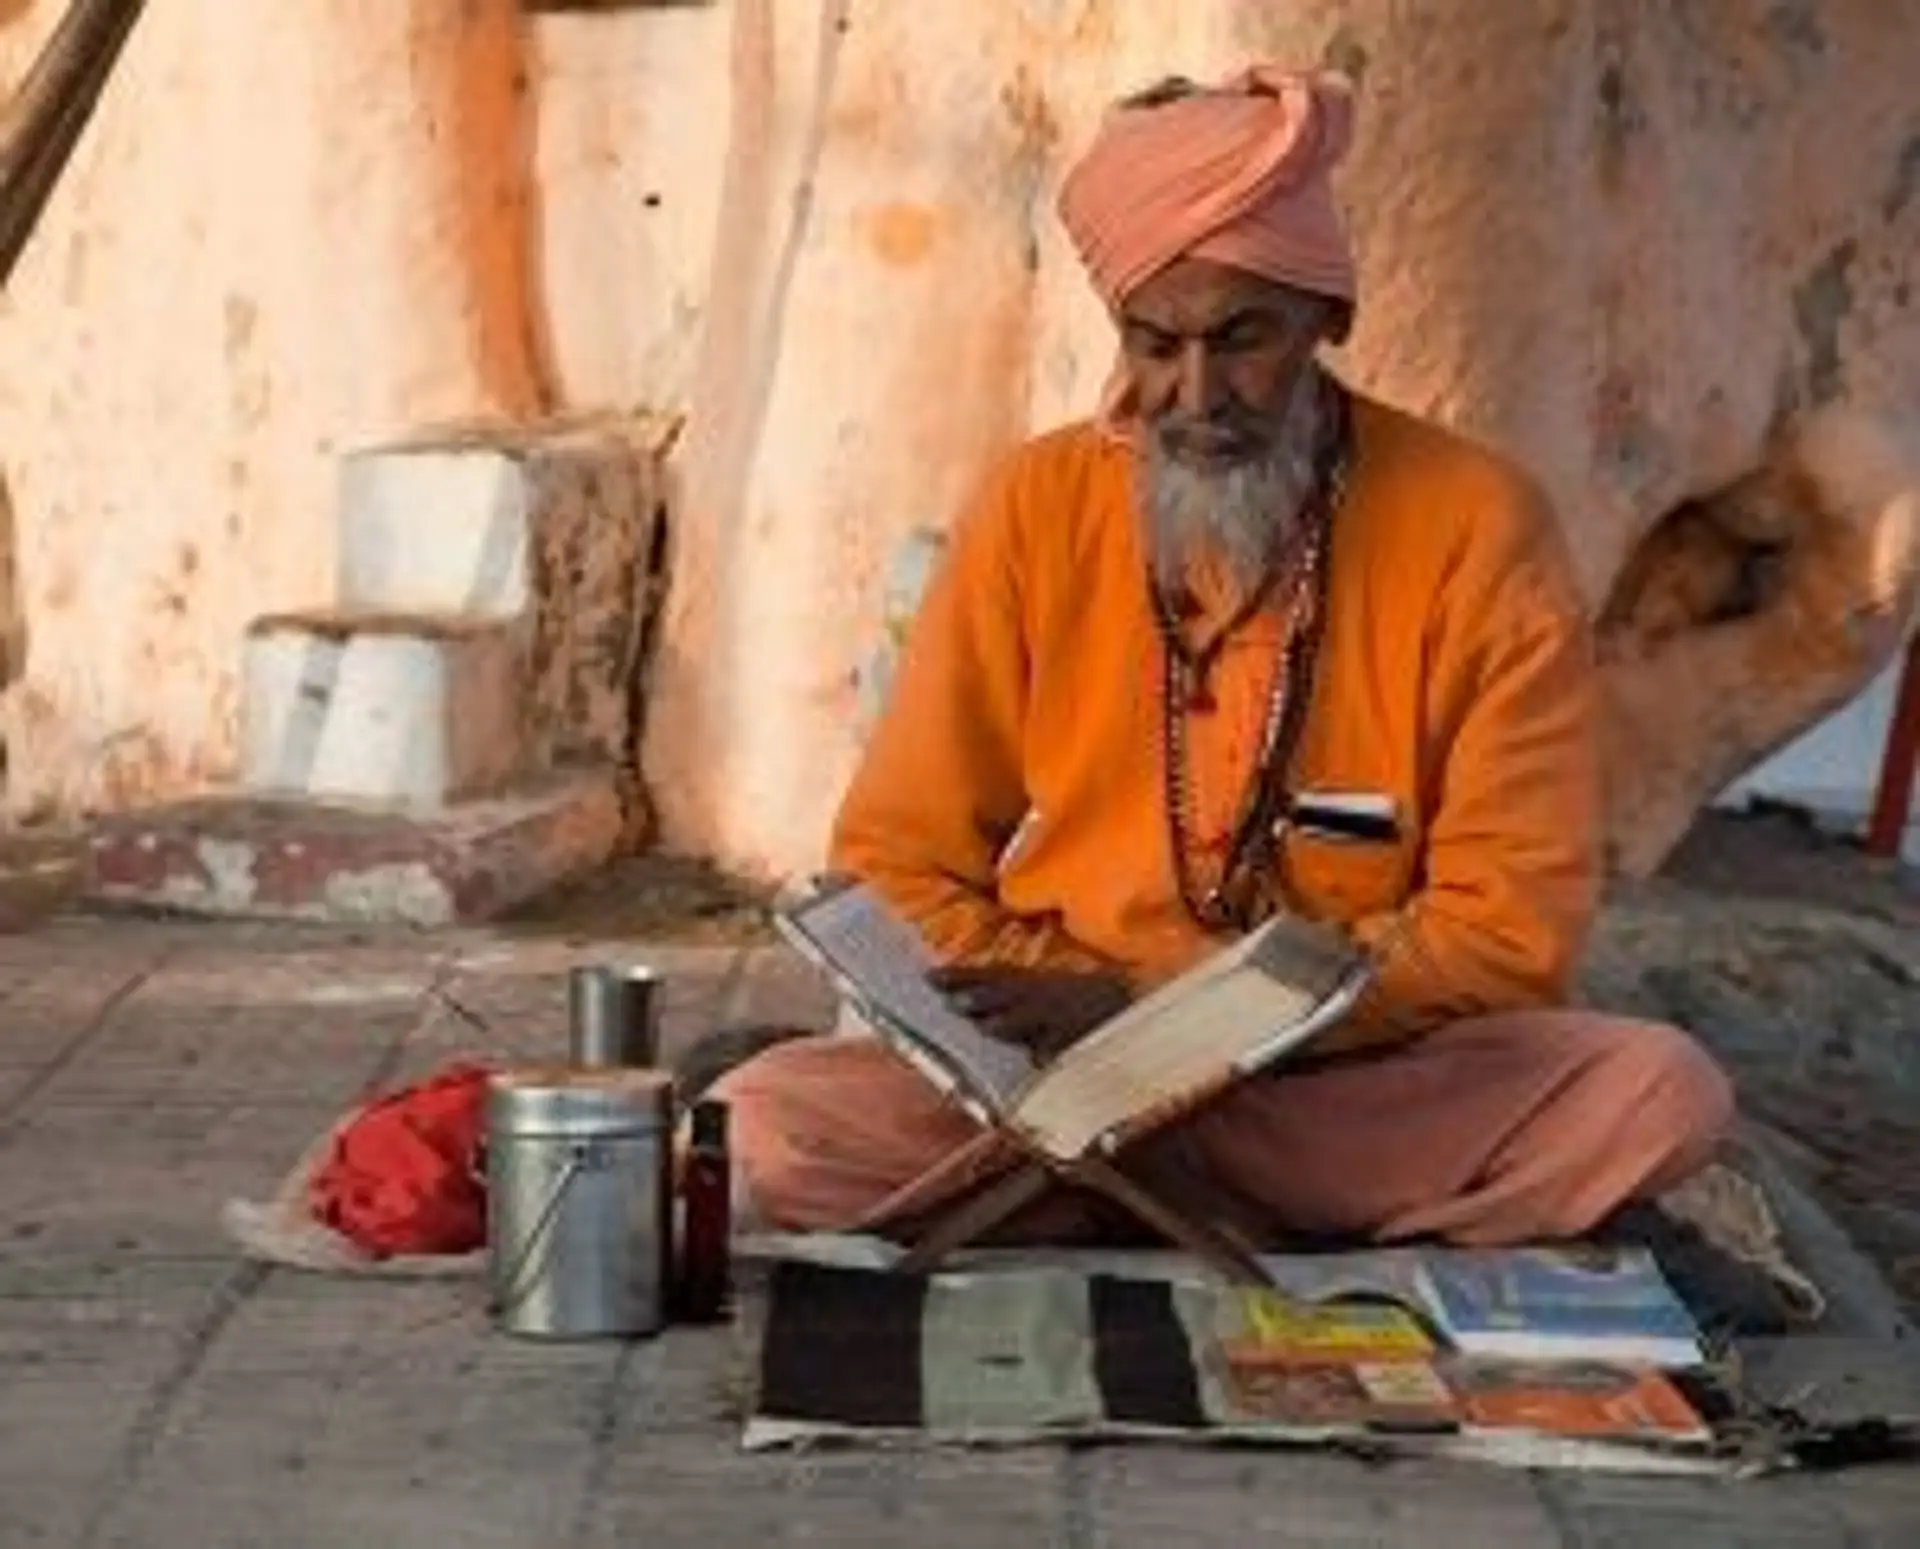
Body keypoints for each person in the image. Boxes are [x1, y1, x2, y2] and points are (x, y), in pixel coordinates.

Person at [705, 62, 1734, 1248]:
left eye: (1244, 337)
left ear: (1326, 321)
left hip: (1346, 1068)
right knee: (763, 1124)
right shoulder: (1035, 505)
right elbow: (899, 859)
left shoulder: (1477, 525)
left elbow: (1507, 928)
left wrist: (1178, 1017)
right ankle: (1266, 1209)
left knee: (1657, 1094)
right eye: (1156, 342)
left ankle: (1092, 1199)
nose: (1196, 395)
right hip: (1065, 1064)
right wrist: (1074, 1018)